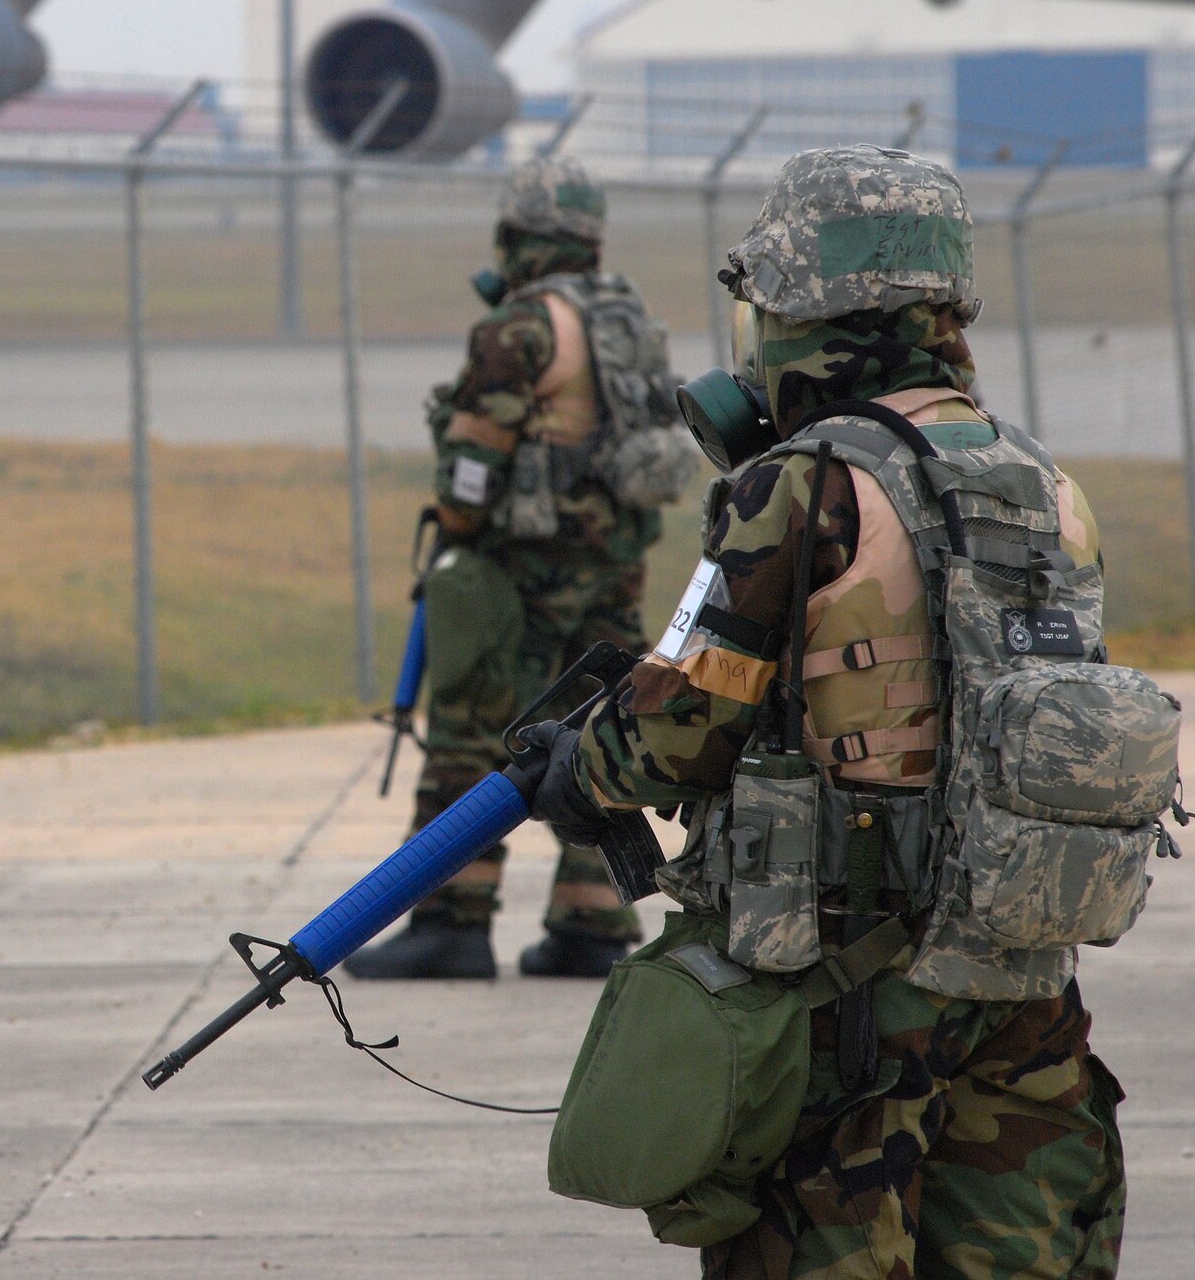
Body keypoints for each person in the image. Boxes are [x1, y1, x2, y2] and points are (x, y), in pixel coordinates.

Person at [525, 145, 1134, 1274]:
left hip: (845, 996)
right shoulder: (1038, 479)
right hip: (1016, 977)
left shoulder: (798, 483)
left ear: (801, 303)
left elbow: (678, 728)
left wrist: (580, 766)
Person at [347, 156, 695, 981]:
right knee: (600, 733)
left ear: (521, 236)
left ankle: (451, 919)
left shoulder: (521, 327)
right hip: (613, 565)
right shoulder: (623, 317)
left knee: (472, 729)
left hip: (520, 569)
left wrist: (460, 524)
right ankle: (594, 921)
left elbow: (473, 463)